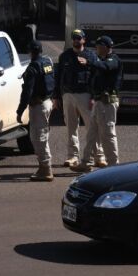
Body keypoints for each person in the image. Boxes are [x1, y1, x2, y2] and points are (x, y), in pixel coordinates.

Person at [71, 35, 122, 173]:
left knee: (107, 134)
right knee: (91, 133)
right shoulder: (101, 60)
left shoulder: (113, 60)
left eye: (99, 46)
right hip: (99, 102)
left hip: (107, 103)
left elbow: (105, 67)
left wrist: (88, 62)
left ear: (105, 47)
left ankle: (113, 165)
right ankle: (86, 162)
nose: (96, 49)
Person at [53, 29, 102, 168]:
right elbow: (58, 77)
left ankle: (98, 156)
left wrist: (94, 97)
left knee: (92, 127)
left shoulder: (91, 56)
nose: (76, 40)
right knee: (71, 127)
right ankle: (72, 156)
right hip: (68, 95)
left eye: (79, 38)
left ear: (84, 40)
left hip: (85, 95)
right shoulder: (65, 56)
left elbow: (97, 77)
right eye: (74, 38)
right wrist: (56, 96)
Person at [17, 40, 56, 182]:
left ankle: (46, 169)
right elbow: (53, 82)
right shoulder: (47, 62)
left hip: (38, 106)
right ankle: (43, 167)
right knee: (42, 135)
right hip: (47, 102)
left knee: (38, 138)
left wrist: (20, 110)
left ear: (31, 52)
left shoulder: (33, 67)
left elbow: (27, 91)